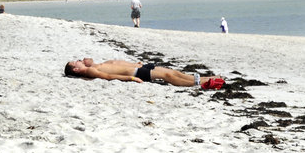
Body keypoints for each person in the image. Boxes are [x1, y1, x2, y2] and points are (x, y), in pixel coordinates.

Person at [64, 58, 225, 89]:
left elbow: (109, 65)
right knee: (168, 76)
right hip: (135, 72)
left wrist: (86, 60)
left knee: (172, 71)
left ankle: (207, 78)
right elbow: (110, 76)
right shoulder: (91, 71)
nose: (77, 59)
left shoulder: (91, 65)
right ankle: (200, 83)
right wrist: (132, 78)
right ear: (76, 69)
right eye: (75, 62)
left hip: (137, 68)